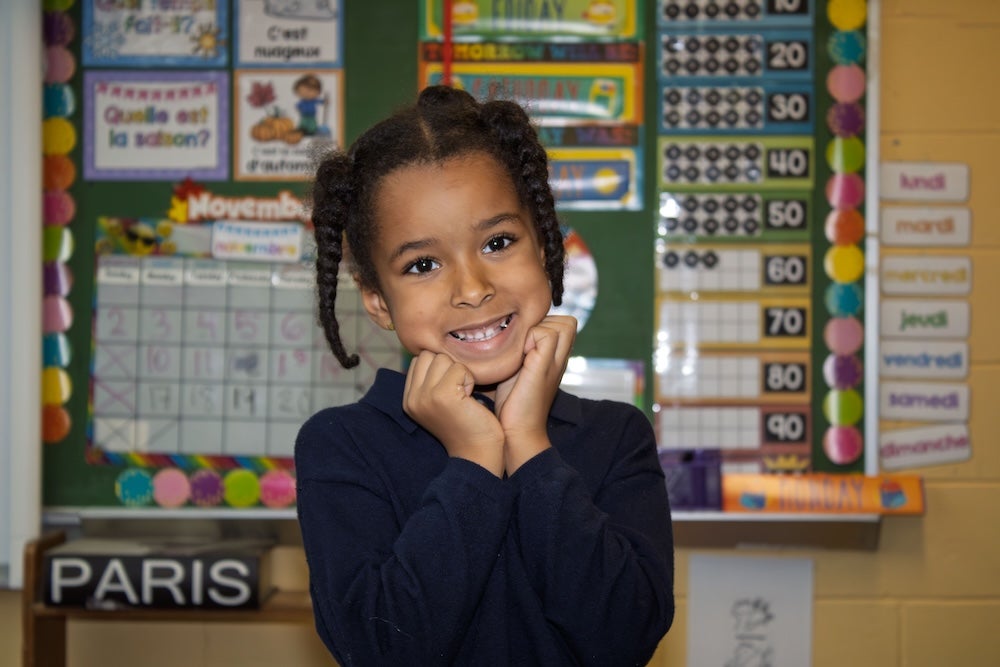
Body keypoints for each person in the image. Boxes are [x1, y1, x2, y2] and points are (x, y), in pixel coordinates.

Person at [296, 85, 674, 666]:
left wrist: (527, 443)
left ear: (544, 248)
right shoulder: (342, 446)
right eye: (423, 264)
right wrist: (474, 458)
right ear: (377, 301)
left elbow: (625, 639)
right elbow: (381, 651)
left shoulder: (616, 436)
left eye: (498, 242)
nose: (472, 289)